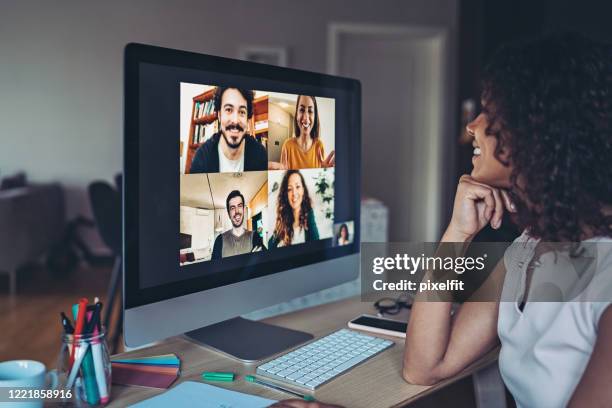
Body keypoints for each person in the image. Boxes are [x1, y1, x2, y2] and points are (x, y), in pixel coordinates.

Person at [271, 33, 612, 408]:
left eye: (491, 114)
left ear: (540, 133)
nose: (472, 126)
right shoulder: (530, 247)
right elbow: (425, 367)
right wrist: (457, 233)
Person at [190, 87, 267, 173]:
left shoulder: (260, 154)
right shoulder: (201, 158)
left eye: (242, 112)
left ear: (247, 119)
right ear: (219, 115)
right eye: (229, 110)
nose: (235, 120)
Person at [278, 95, 335, 169]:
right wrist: (281, 174)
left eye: (310, 111)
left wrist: (323, 172)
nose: (305, 118)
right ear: (296, 114)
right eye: (301, 110)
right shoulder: (287, 145)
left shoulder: (319, 146)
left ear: (315, 116)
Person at [268, 170, 319, 248]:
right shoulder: (283, 220)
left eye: (297, 187)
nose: (294, 193)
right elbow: (270, 246)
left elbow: (317, 246)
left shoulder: (309, 215)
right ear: (286, 194)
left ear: (303, 190)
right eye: (289, 189)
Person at [211, 190, 261, 259]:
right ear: (229, 214)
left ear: (243, 209)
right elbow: (214, 268)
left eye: (239, 206)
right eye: (232, 208)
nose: (237, 211)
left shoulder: (255, 237)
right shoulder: (219, 240)